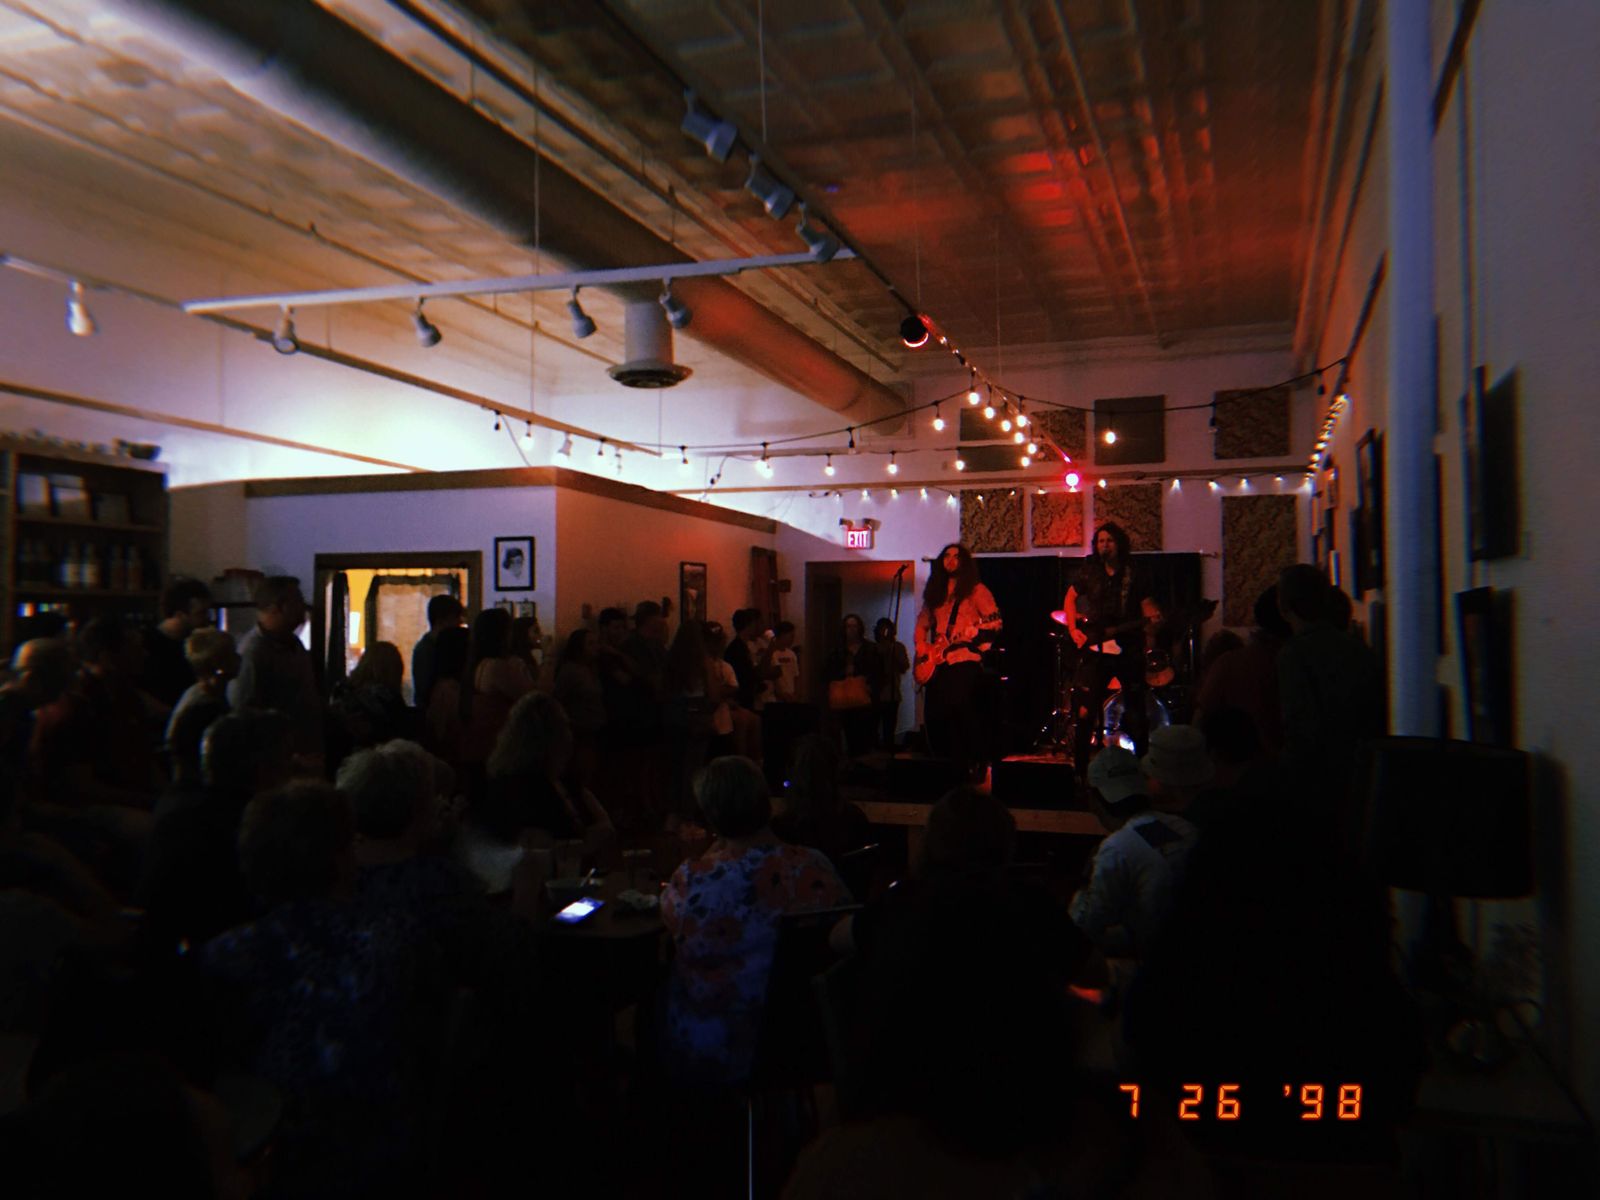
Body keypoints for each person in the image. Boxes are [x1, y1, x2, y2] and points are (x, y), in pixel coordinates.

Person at [660, 755, 848, 1085]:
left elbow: (673, 931)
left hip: (711, 1043)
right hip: (801, 1039)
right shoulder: (813, 867)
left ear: (712, 816)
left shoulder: (692, 879)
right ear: (765, 803)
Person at [1275, 563, 1384, 857]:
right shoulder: (1358, 649)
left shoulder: (1294, 654)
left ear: (1285, 606)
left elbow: (1300, 727)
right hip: (1359, 778)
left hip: (1316, 786)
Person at [1069, 738, 1200, 962]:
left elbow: (1083, 929)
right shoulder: (1185, 829)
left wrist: (1084, 882)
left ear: (1093, 799)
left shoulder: (1116, 849)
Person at [1061, 522, 1155, 767]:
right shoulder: (1090, 570)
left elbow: (1147, 605)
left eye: (1110, 541)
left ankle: (1142, 767)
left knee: (1136, 712)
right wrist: (1073, 629)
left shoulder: (1133, 571)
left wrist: (1153, 622)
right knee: (1085, 712)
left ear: (1119, 544)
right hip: (1096, 648)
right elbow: (1070, 597)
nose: (1105, 545)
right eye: (1101, 541)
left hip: (1128, 647)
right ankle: (1081, 770)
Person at [914, 544, 1002, 782]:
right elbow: (922, 623)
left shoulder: (977, 591)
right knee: (939, 714)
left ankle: (975, 760)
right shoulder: (936, 593)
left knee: (961, 709)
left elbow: (995, 622)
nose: (951, 560)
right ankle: (951, 766)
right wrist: (922, 646)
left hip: (964, 658)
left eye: (956, 556)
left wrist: (976, 631)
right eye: (947, 556)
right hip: (939, 662)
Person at [230, 575, 324, 770]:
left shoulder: (294, 644)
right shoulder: (253, 652)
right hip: (277, 760)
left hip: (303, 754)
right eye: (297, 602)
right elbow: (243, 710)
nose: (303, 608)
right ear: (277, 608)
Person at [457, 607, 536, 772]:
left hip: (483, 743)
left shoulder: (478, 664)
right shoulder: (497, 667)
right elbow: (532, 697)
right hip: (498, 744)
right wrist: (550, 656)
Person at [139, 577, 213, 710]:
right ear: (179, 615)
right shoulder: (144, 645)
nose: (208, 619)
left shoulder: (197, 644)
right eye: (201, 613)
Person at [164, 627, 239, 751]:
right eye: (232, 654)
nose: (238, 657)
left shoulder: (214, 693)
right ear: (218, 665)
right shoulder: (200, 706)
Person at [825, 613, 882, 758]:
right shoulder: (838, 651)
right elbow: (828, 672)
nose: (851, 630)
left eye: (854, 626)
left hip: (865, 699)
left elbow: (879, 672)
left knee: (866, 735)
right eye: (848, 626)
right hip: (845, 699)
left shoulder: (870, 649)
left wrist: (871, 686)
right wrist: (843, 673)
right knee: (849, 734)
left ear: (859, 628)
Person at [410, 593, 464, 712]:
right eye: (455, 617)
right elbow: (425, 690)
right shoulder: (426, 649)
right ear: (440, 621)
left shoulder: (429, 647)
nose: (460, 622)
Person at [873, 617, 911, 750]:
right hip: (875, 694)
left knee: (889, 727)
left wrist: (893, 651)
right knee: (873, 727)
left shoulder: (897, 647)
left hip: (891, 693)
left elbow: (904, 666)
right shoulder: (873, 648)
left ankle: (888, 749)